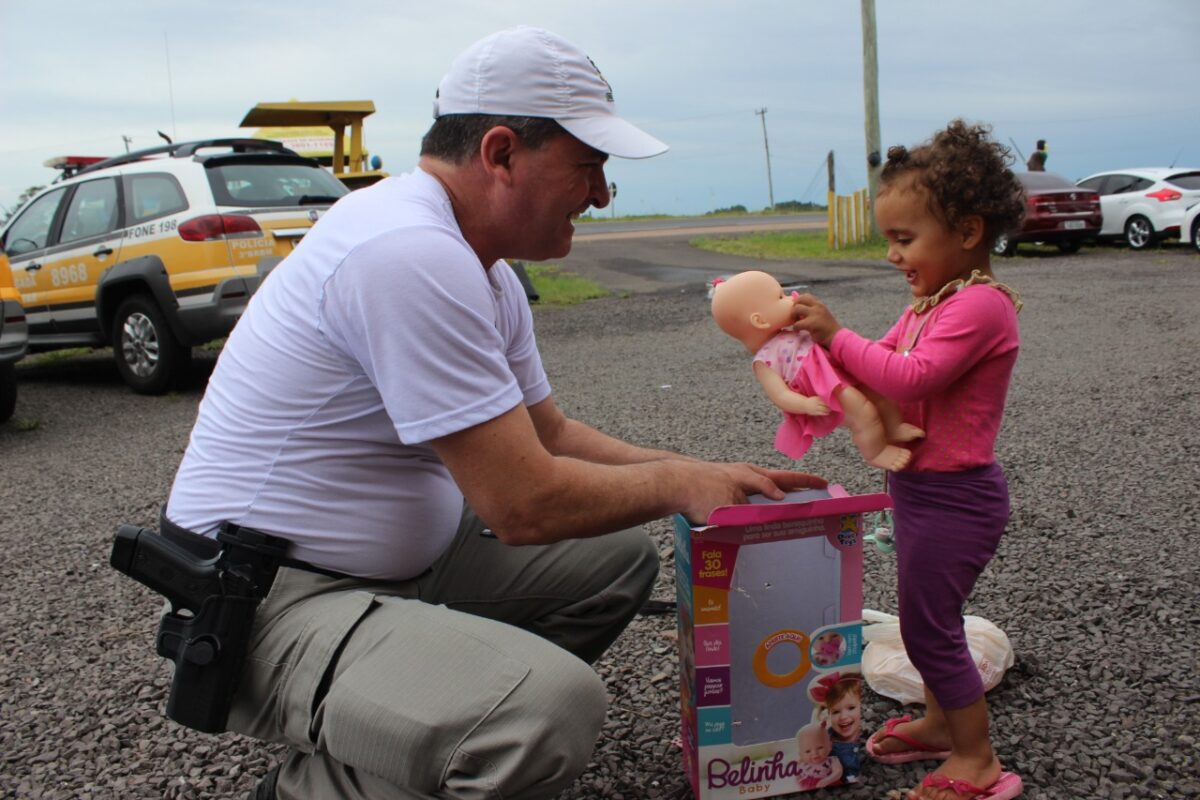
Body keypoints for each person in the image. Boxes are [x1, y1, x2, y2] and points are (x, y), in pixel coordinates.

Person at [159, 25, 825, 800]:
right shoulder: (406, 252)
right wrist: (680, 485)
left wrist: (703, 473)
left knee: (615, 562)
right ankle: (325, 784)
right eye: (588, 167)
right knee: (549, 714)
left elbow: (550, 436)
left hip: (379, 569)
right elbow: (522, 504)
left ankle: (406, 730)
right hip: (261, 600)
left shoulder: (483, 268)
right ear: (502, 152)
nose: (602, 195)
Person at [792, 119, 1025, 800]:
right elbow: (875, 362)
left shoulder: (982, 307)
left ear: (968, 231)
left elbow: (911, 375)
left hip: (959, 498)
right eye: (889, 239)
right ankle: (939, 724)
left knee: (930, 629)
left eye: (904, 238)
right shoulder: (931, 303)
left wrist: (836, 334)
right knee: (928, 622)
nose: (893, 254)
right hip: (924, 493)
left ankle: (977, 759)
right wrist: (810, 353)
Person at [711, 270, 923, 470]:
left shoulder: (789, 331)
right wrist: (804, 404)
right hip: (824, 387)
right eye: (781, 297)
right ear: (760, 321)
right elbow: (780, 395)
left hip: (835, 369)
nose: (791, 298)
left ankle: (893, 428)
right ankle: (876, 452)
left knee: (877, 392)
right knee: (863, 412)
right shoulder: (764, 360)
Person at [809, 671, 865, 783]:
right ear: (829, 714)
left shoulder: (871, 734)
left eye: (851, 708)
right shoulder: (826, 744)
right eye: (835, 712)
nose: (843, 716)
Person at [794, 721, 843, 790]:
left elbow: (838, 772)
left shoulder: (832, 760)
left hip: (829, 784)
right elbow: (796, 772)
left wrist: (827, 780)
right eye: (808, 751)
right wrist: (798, 780)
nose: (814, 753)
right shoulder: (802, 762)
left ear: (830, 746)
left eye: (820, 748)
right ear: (801, 754)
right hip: (808, 786)